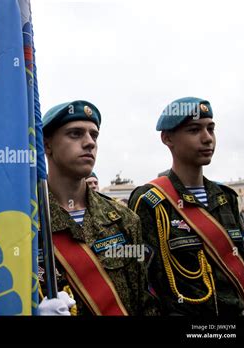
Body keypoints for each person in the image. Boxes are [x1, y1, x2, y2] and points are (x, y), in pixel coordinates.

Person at [128, 97, 244, 315]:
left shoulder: (226, 197)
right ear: (167, 138)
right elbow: (143, 283)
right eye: (195, 130)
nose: (207, 139)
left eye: (211, 129)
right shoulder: (149, 201)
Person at [37, 100, 159, 316]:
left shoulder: (124, 219)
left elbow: (144, 301)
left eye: (94, 135)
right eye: (75, 134)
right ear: (47, 145)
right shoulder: (26, 222)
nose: (89, 143)